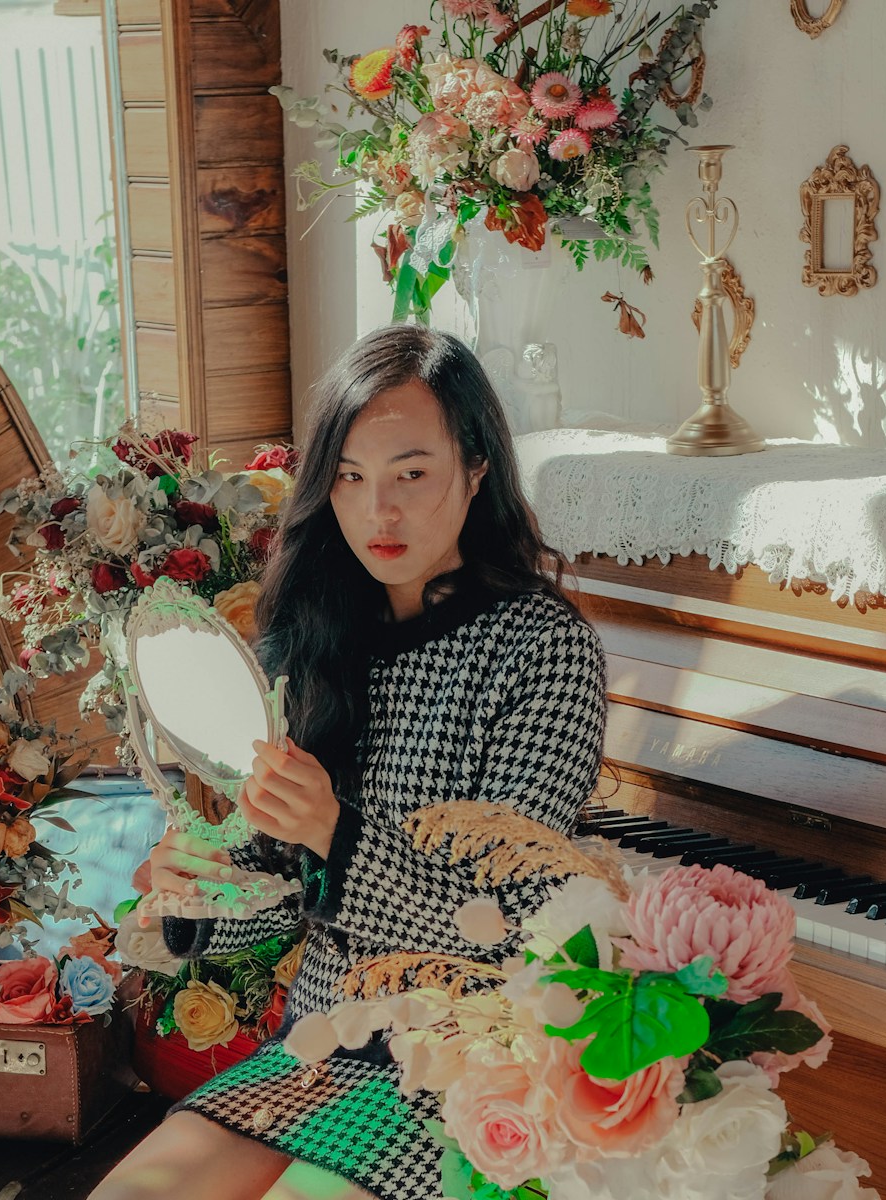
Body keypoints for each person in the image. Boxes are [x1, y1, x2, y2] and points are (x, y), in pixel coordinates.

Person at [90, 325, 606, 1200]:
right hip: (319, 1044)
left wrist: (336, 832)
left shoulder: (545, 651)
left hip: (462, 1065)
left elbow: (516, 926)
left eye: (411, 473)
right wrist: (199, 895)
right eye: (350, 478)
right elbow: (283, 892)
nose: (380, 513)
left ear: (476, 468)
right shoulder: (316, 637)